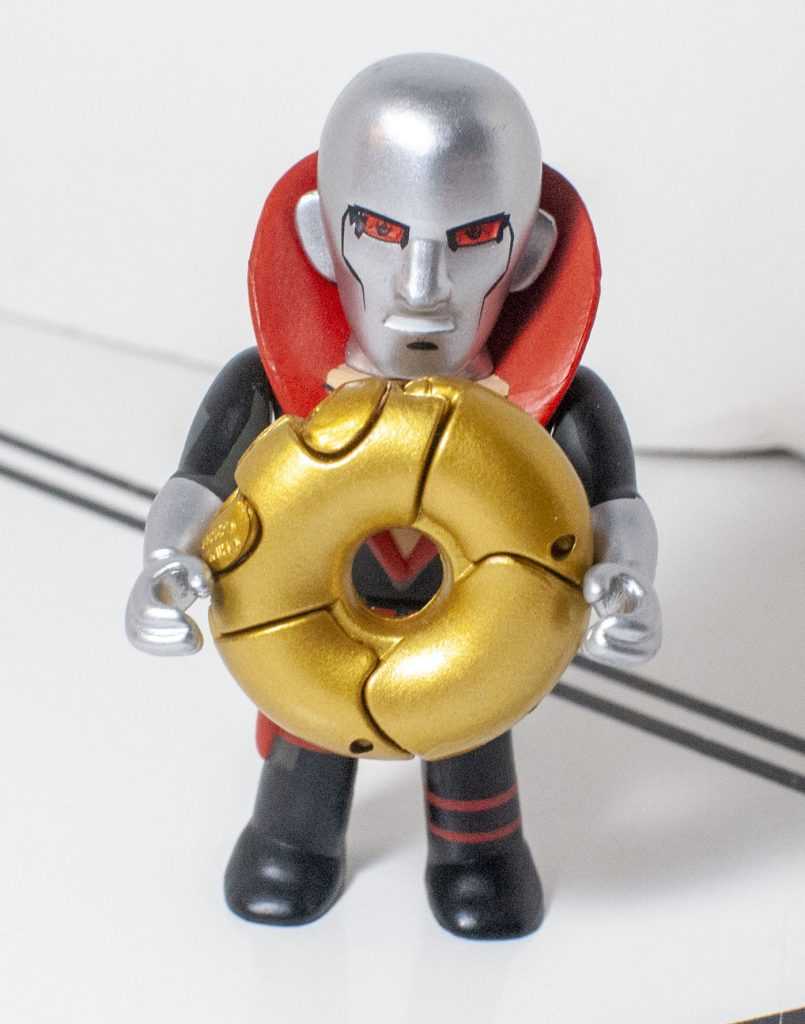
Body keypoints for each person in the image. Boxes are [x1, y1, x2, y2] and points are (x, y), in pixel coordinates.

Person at [126, 53, 661, 940]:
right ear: (318, 236)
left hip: (478, 640)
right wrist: (164, 564)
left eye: (471, 238)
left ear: (528, 253)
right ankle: (292, 841)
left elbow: (614, 506)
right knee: (305, 729)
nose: (420, 289)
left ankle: (476, 857)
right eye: (377, 231)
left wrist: (625, 580)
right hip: (304, 627)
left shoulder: (557, 407)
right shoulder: (269, 386)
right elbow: (198, 482)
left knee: (471, 730)